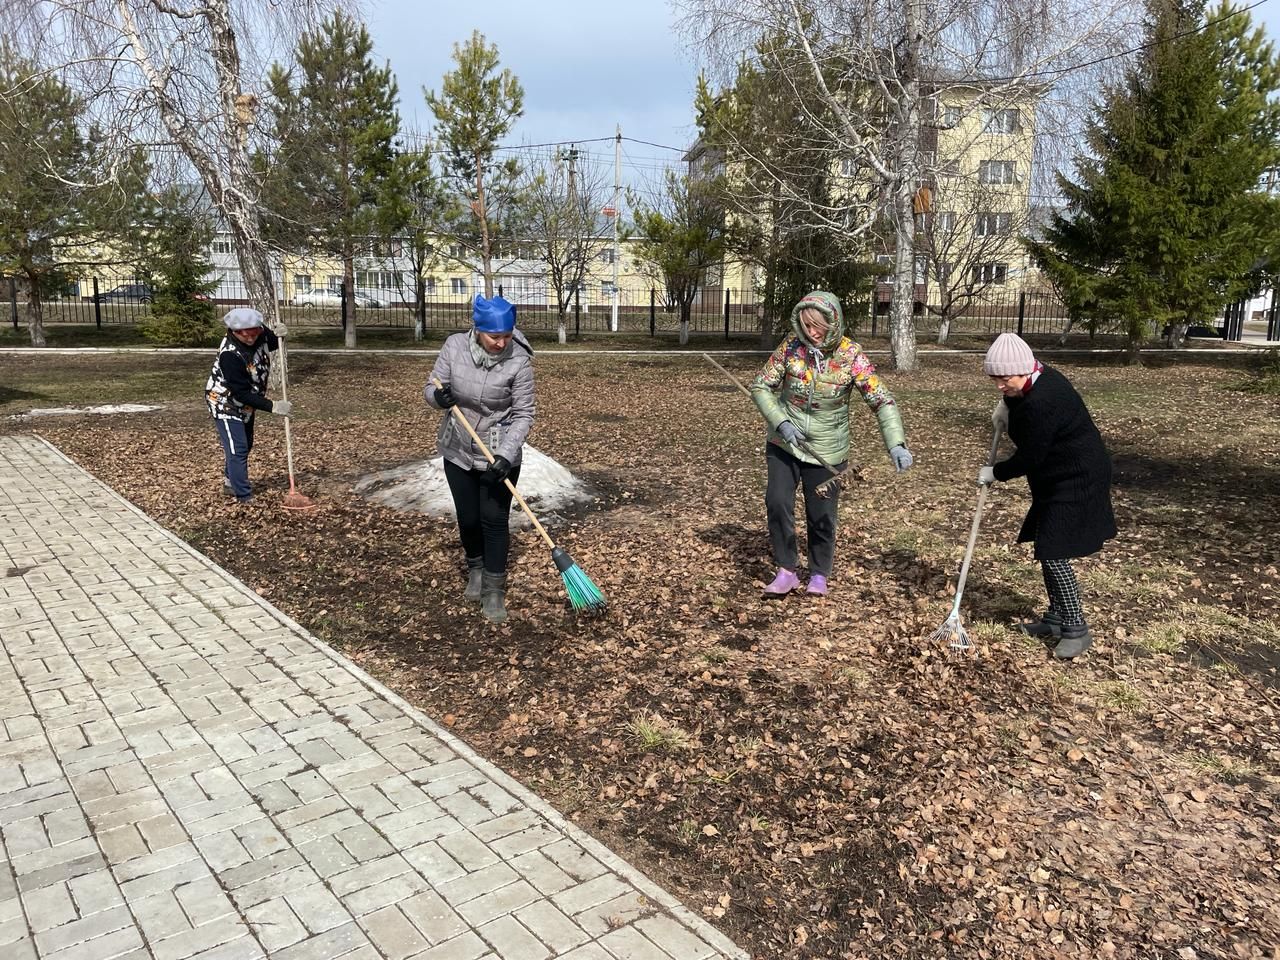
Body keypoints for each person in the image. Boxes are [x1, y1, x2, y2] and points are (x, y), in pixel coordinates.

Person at [750, 290, 913, 597]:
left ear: (833, 322)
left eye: (817, 326)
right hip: (784, 443)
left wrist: (896, 444)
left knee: (822, 513)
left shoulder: (852, 355)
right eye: (806, 325)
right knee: (778, 501)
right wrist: (781, 422)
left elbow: (881, 400)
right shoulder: (791, 348)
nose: (811, 333)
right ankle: (786, 569)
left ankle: (819, 574)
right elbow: (761, 386)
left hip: (827, 450)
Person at [978, 332, 1116, 659]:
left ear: (1025, 370)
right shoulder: (1034, 380)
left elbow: (1031, 457)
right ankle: (1055, 619)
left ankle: (1076, 629)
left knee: (1054, 551)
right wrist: (1007, 404)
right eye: (994, 379)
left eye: (1004, 379)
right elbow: (1019, 401)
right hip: (1055, 475)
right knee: (1045, 542)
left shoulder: (1044, 399)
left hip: (1078, 478)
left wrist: (995, 472)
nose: (999, 384)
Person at [426, 294, 535, 624]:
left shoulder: (520, 361)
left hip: (497, 452)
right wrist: (438, 397)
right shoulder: (454, 346)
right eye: (494, 336)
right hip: (458, 446)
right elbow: (430, 387)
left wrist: (505, 455)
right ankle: (475, 566)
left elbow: (524, 414)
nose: (502, 343)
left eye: (506, 335)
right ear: (477, 330)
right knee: (469, 518)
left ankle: (493, 589)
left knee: (493, 519)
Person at [204, 308, 290, 504]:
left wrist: (281, 336)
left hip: (248, 403)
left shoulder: (259, 333)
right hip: (225, 402)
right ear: (234, 332)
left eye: (254, 333)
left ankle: (229, 481)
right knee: (238, 448)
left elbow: (272, 343)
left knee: (245, 444)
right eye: (246, 335)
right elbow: (240, 392)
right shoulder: (230, 355)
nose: (251, 339)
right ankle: (243, 495)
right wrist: (273, 406)